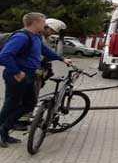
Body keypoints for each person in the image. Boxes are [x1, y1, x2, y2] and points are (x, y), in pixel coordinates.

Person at [0, 13, 70, 147]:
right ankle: (2, 132)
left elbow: (45, 51)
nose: (45, 25)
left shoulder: (36, 36)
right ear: (35, 23)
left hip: (29, 76)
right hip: (17, 76)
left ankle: (4, 129)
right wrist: (17, 71)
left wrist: (62, 59)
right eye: (43, 22)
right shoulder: (21, 37)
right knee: (11, 105)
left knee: (29, 104)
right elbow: (4, 55)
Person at [12, 18, 67, 132]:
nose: (52, 34)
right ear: (46, 27)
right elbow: (38, 57)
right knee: (26, 98)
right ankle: (18, 122)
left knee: (31, 97)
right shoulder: (37, 38)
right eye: (51, 31)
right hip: (31, 73)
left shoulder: (42, 38)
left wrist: (60, 59)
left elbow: (47, 54)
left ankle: (23, 119)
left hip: (37, 73)